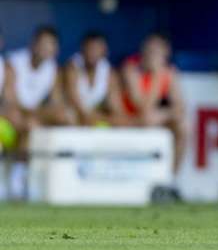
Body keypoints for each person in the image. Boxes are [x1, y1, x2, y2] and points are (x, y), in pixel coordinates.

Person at [1, 26, 69, 199]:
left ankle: (52, 176)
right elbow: (10, 101)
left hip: (30, 116)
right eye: (43, 44)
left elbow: (57, 103)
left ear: (56, 49)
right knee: (26, 122)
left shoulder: (53, 70)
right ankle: (18, 178)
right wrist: (36, 115)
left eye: (50, 45)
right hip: (9, 115)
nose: (46, 49)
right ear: (33, 44)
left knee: (64, 117)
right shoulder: (13, 63)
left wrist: (47, 114)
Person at [121, 33, 186, 172]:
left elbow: (180, 108)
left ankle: (171, 177)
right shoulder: (131, 69)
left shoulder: (170, 72)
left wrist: (163, 115)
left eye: (156, 51)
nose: (151, 55)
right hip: (129, 119)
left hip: (153, 118)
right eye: (149, 50)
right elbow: (142, 108)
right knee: (147, 119)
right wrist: (157, 77)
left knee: (183, 127)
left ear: (165, 53)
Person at [64, 32, 125, 127]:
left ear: (104, 51)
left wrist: (119, 118)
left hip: (95, 115)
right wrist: (90, 116)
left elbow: (115, 105)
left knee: (120, 120)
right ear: (82, 49)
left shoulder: (109, 72)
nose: (93, 52)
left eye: (97, 49)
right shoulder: (72, 67)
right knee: (69, 116)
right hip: (76, 114)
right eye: (90, 48)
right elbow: (73, 100)